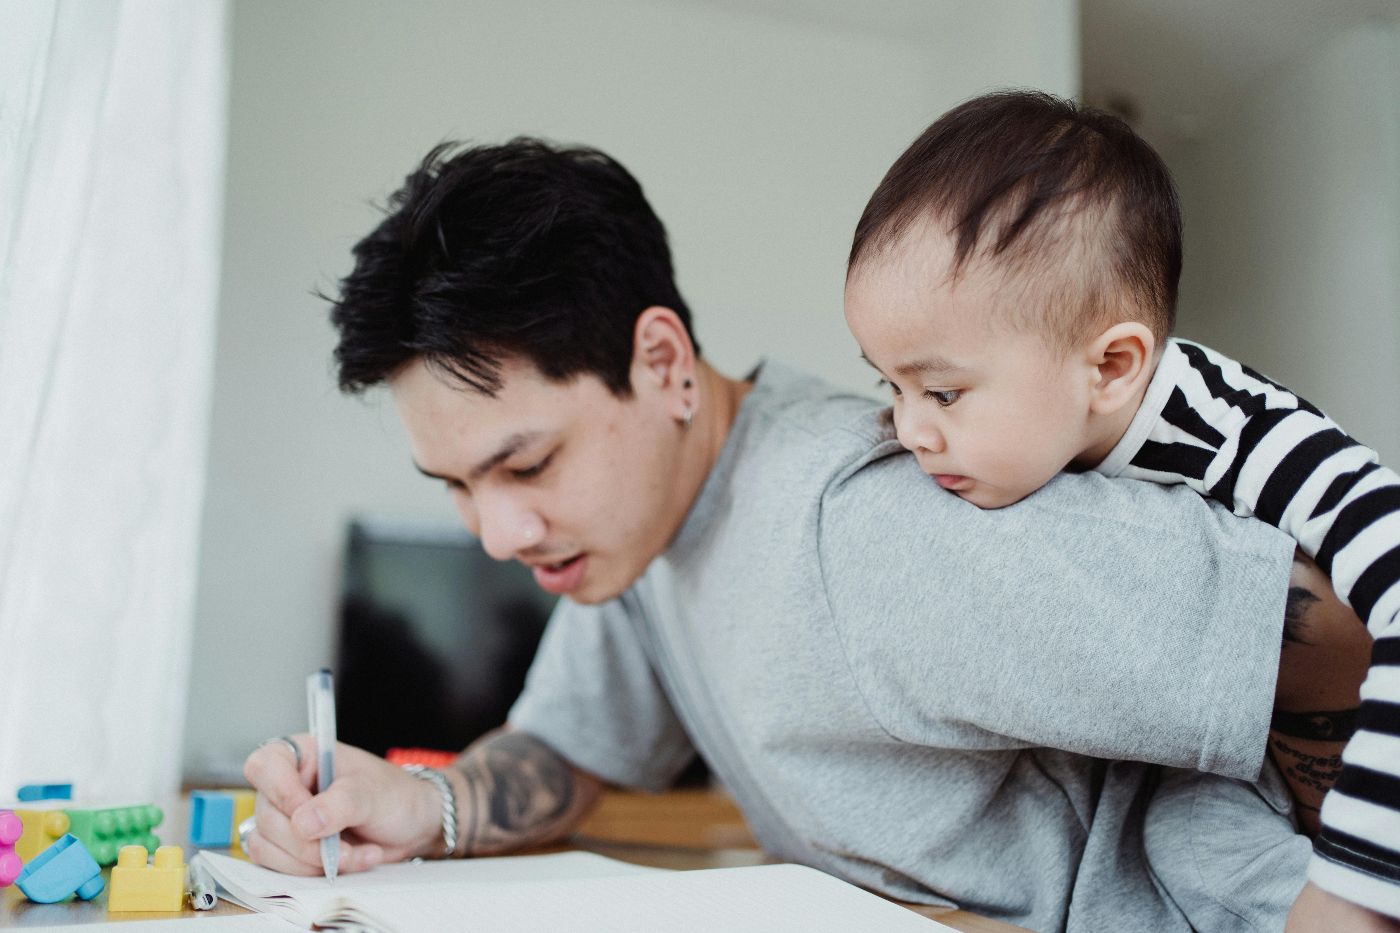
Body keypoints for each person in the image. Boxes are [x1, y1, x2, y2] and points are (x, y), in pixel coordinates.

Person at [242, 139, 1373, 932]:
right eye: (454, 485)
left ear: (664, 365)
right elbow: (569, 753)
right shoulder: (631, 545)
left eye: (525, 464)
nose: (497, 532)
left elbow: (1339, 631)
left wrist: (1347, 873)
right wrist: (414, 806)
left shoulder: (868, 530)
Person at [843, 90, 1400, 926]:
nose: (909, 428)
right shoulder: (1038, 428)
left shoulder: (1255, 439)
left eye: (944, 391)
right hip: (1224, 784)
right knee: (1174, 829)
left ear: (1110, 367)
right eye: (890, 384)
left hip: (1362, 783)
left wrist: (1356, 884)